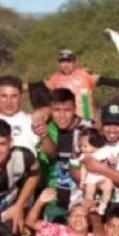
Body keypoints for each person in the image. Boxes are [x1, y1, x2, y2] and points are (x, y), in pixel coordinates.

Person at [74, 103, 119, 236]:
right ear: (101, 124)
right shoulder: (93, 142)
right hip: (98, 205)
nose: (112, 129)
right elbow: (76, 169)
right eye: (108, 124)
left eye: (117, 124)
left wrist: (99, 168)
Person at [36, 88, 93, 222]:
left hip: (82, 203)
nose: (62, 116)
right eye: (56, 110)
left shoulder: (88, 129)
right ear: (50, 109)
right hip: (55, 202)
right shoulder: (47, 127)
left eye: (67, 110)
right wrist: (44, 135)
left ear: (75, 108)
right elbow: (51, 154)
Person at [39, 49, 119, 120]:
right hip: (66, 122)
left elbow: (109, 81)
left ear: (74, 62)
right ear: (58, 63)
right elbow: (34, 88)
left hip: (87, 120)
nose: (66, 65)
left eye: (69, 61)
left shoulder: (85, 74)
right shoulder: (53, 79)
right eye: (63, 61)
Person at [77, 128, 115, 215]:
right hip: (91, 177)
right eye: (81, 146)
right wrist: (82, 180)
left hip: (104, 176)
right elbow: (83, 168)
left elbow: (112, 161)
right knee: (89, 192)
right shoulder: (84, 156)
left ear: (94, 143)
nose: (82, 149)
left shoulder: (105, 151)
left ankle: (103, 205)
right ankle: (89, 207)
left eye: (85, 146)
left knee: (108, 187)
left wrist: (112, 161)